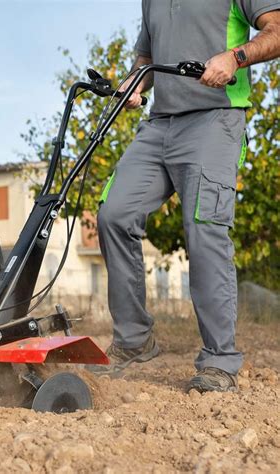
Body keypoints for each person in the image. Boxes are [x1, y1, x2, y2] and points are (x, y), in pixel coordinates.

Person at [91, 0, 280, 392]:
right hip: (161, 123)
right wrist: (135, 82)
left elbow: (277, 30)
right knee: (114, 214)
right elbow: (146, 55)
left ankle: (219, 360)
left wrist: (235, 56)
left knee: (204, 228)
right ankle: (134, 339)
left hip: (215, 118)